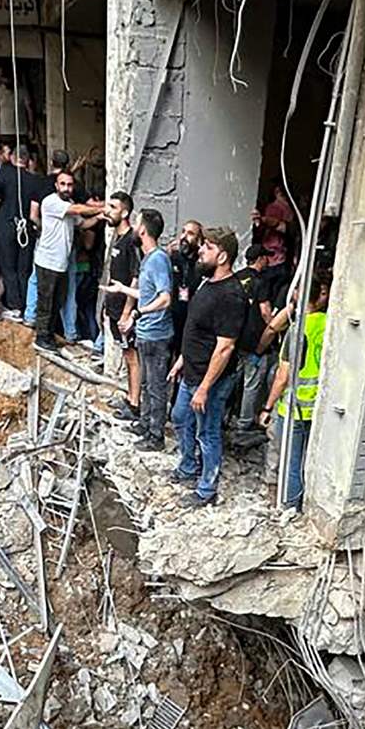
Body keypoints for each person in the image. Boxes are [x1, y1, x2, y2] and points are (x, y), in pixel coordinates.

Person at [169, 227, 245, 508]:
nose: (200, 250)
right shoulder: (206, 282)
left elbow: (225, 347)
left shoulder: (231, 295)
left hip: (210, 381)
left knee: (208, 432)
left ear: (223, 256)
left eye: (208, 247)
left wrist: (204, 388)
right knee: (179, 416)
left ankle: (206, 490)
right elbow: (196, 330)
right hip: (192, 371)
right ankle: (188, 467)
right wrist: (181, 361)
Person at [104, 207, 174, 450]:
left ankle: (156, 436)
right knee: (145, 383)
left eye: (136, 223)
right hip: (146, 333)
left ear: (142, 230)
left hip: (156, 334)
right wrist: (123, 289)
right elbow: (147, 294)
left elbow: (165, 298)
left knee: (155, 386)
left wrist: (137, 312)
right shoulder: (148, 259)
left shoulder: (158, 259)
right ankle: (145, 424)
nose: (133, 226)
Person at [260, 273, 329, 510]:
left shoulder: (298, 330)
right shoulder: (329, 324)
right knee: (306, 458)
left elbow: (282, 377)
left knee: (291, 458)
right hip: (318, 407)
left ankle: (289, 504)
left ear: (298, 294)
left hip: (295, 406)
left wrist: (267, 407)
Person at [29, 169, 103, 353]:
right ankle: (41, 337)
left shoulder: (68, 203)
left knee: (57, 301)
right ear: (56, 185)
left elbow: (82, 223)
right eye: (63, 184)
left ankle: (49, 335)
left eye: (69, 185)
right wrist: (103, 207)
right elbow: (78, 210)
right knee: (46, 302)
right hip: (47, 262)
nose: (66, 188)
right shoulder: (51, 202)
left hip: (61, 263)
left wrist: (98, 217)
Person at [231, 242, 283, 433]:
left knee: (231, 379)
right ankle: (244, 423)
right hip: (254, 343)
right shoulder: (261, 282)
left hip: (234, 339)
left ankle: (225, 415)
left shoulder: (237, 277)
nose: (268, 261)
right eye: (266, 257)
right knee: (251, 384)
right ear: (260, 259)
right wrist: (274, 329)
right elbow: (265, 311)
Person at [100, 191, 142, 418]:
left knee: (131, 356)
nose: (107, 211)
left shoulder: (131, 242)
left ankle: (135, 404)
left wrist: (127, 312)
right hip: (115, 309)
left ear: (124, 212)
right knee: (126, 354)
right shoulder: (117, 238)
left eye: (113, 207)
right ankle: (129, 397)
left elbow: (135, 278)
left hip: (125, 313)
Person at [0, 143, 45, 318]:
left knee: (8, 268)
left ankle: (14, 306)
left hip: (7, 226)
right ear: (27, 160)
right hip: (26, 229)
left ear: (12, 157)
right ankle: (25, 307)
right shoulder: (35, 180)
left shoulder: (4, 173)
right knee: (24, 269)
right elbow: (34, 213)